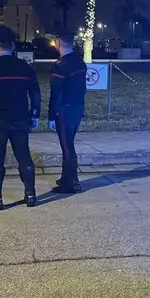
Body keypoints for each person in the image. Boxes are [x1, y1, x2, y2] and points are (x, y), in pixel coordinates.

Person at [0, 26, 41, 210]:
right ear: (13, 46)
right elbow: (35, 93)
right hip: (20, 118)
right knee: (24, 156)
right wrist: (35, 114)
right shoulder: (25, 68)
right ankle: (30, 195)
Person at [48, 33, 87, 193]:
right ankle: (66, 177)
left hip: (64, 109)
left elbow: (56, 92)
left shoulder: (60, 65)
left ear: (58, 43)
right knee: (68, 142)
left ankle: (72, 182)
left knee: (67, 145)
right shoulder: (79, 62)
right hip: (77, 107)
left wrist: (52, 115)